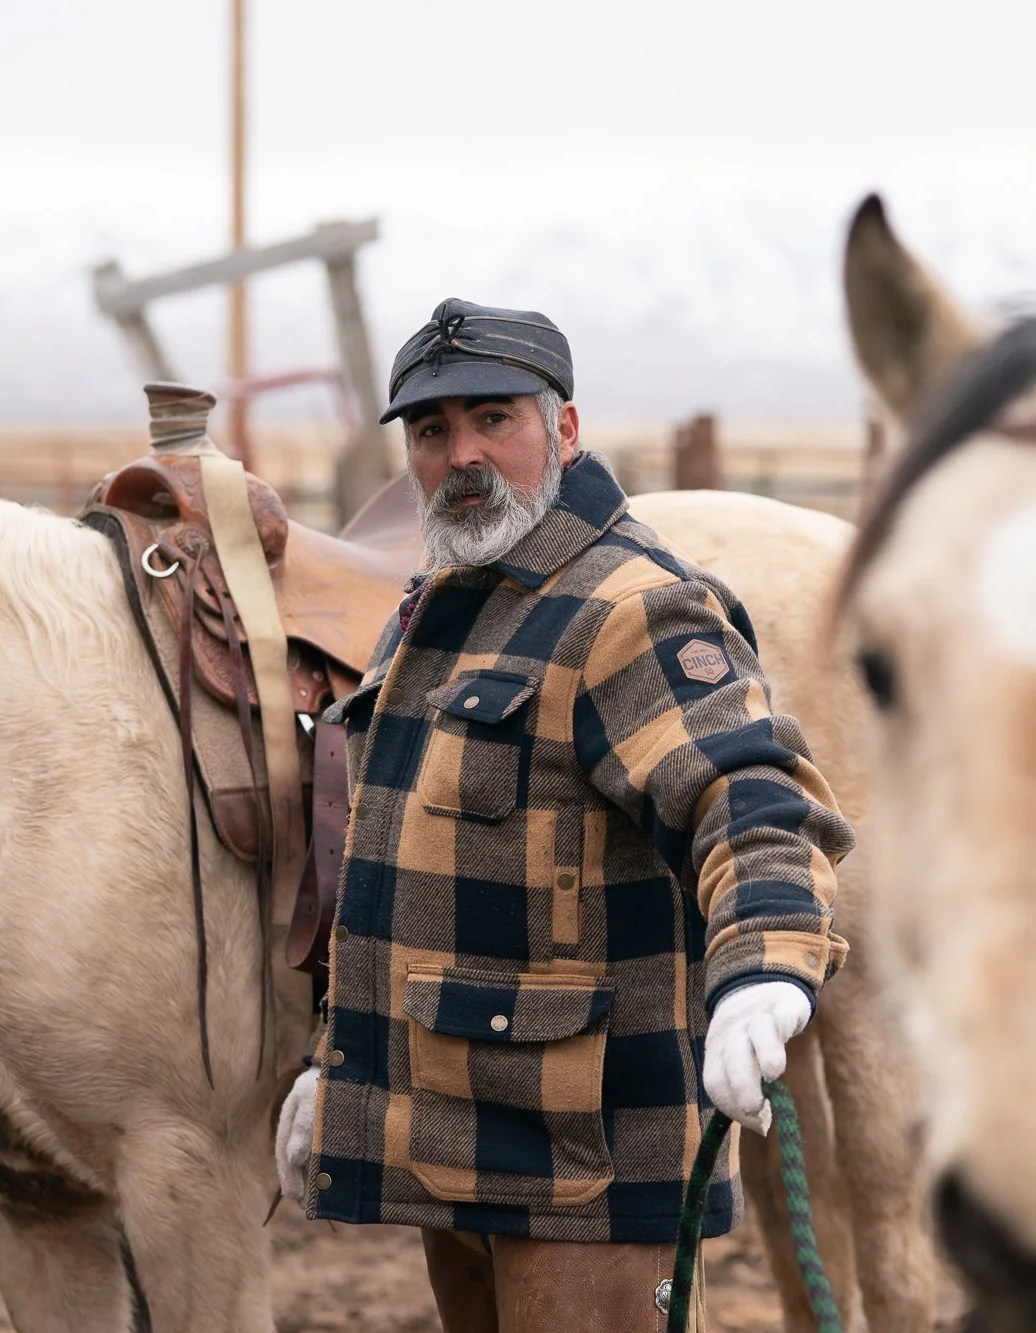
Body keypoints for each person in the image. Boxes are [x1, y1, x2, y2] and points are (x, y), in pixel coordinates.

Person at [274, 298, 852, 1331]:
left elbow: (747, 792)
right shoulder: (430, 612)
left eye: (493, 419)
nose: (462, 455)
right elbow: (395, 872)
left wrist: (764, 959)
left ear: (566, 430)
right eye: (431, 431)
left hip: (581, 1166)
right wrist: (345, 1070)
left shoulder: (631, 608)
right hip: (451, 1138)